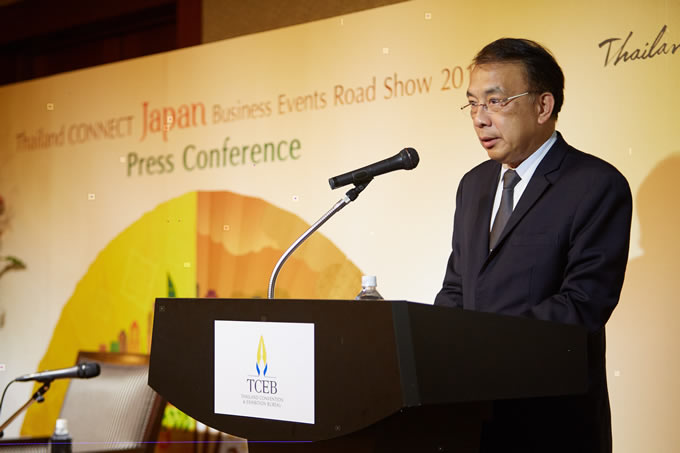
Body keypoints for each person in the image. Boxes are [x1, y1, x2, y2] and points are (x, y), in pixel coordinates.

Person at [434, 38, 632, 452]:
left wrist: (483, 346)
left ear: (543, 106)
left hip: (551, 423)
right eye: (472, 104)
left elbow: (583, 304)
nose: (480, 119)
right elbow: (456, 286)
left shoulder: (595, 184)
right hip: (468, 420)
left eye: (495, 102)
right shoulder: (473, 185)